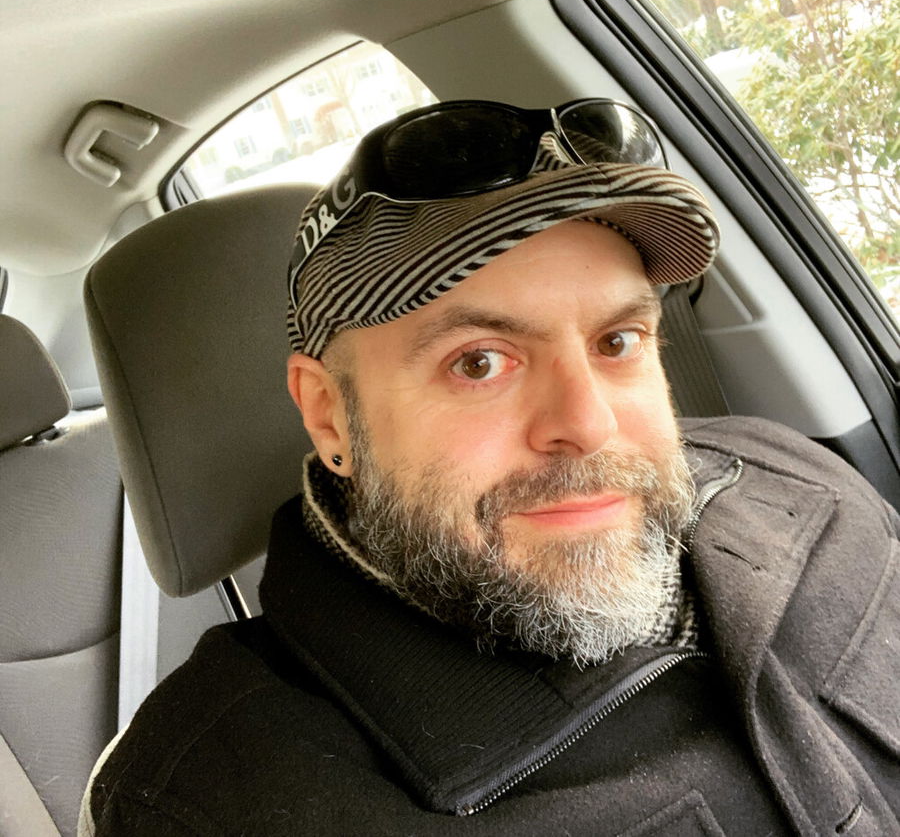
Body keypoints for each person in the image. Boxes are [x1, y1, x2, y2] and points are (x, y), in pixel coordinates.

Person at [81, 100, 899, 836]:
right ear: (331, 415)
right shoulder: (211, 803)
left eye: (618, 342)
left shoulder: (802, 479)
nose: (587, 426)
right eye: (478, 362)